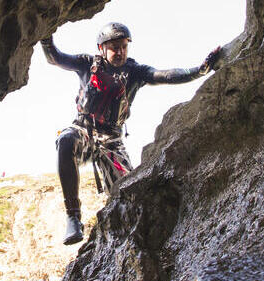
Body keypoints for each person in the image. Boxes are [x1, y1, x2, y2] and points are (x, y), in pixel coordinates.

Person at [40, 22, 222, 245]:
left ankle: (135, 239)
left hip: (112, 141)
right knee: (66, 139)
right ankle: (73, 217)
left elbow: (164, 75)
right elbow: (55, 58)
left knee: (133, 192)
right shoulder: (87, 64)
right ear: (102, 48)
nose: (120, 52)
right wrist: (45, 39)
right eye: (114, 47)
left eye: (124, 46)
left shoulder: (135, 71)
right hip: (85, 130)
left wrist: (200, 70)